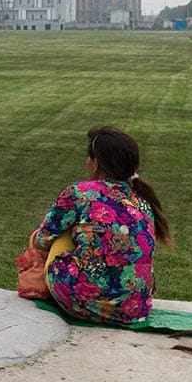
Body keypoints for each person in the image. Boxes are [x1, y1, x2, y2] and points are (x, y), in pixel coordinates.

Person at [31, 126, 173, 325]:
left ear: (95, 163)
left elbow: (41, 240)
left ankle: (37, 282)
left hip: (85, 302)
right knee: (90, 231)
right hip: (135, 309)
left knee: (63, 232)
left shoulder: (79, 192)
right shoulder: (143, 202)